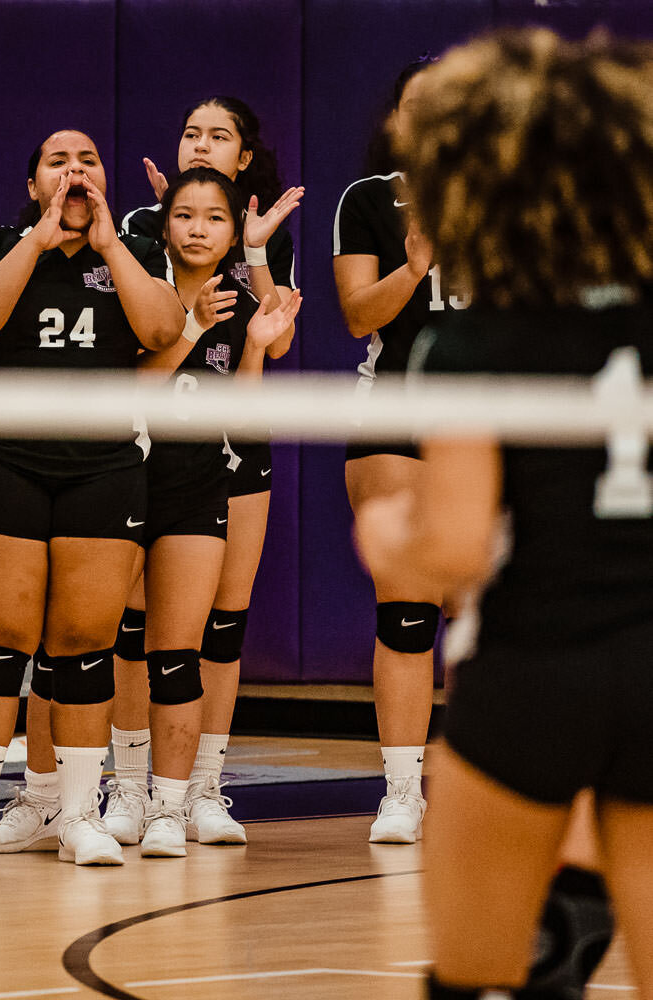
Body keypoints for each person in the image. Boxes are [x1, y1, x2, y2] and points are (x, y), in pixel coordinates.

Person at [352, 29, 653, 998]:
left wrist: (384, 530)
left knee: (479, 975)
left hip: (535, 672)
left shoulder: (477, 335)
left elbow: (452, 546)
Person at [0, 129, 184, 868]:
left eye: (89, 161)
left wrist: (109, 245)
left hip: (103, 468)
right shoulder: (6, 241)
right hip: (10, 461)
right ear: (35, 183)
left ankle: (78, 815)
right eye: (57, 162)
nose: (75, 172)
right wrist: (38, 243)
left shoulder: (130, 246)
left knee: (82, 645)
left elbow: (164, 327)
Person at [112, 98, 304, 846]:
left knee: (219, 627)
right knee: (135, 629)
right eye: (191, 130)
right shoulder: (138, 231)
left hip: (229, 447)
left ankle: (201, 789)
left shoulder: (261, 243)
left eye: (219, 135)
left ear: (244, 157)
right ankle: (129, 789)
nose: (201, 142)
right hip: (143, 449)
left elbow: (272, 344)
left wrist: (253, 252)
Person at [335, 54, 465, 844]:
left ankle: (489, 779)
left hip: (489, 419)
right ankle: (401, 789)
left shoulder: (510, 196)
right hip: (397, 414)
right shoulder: (371, 200)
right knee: (409, 606)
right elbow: (357, 315)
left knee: (489, 611)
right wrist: (414, 269)